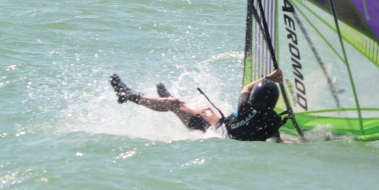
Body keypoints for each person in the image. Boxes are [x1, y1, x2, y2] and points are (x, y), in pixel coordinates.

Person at [111, 69, 288, 141]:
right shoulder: (273, 120)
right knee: (205, 110)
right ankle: (174, 102)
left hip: (219, 134)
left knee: (174, 104)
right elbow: (275, 138)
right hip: (227, 129)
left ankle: (127, 95)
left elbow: (246, 88)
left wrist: (269, 78)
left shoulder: (246, 107)